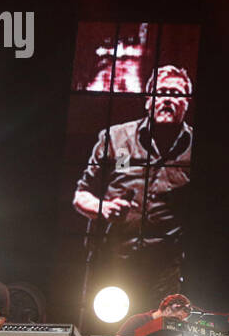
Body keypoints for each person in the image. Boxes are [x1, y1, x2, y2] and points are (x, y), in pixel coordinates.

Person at [73, 65, 194, 309]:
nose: (168, 99)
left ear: (187, 103)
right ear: (149, 100)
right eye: (161, 92)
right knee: (106, 335)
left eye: (176, 94)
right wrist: (104, 209)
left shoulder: (195, 147)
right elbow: (80, 196)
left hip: (166, 271)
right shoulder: (115, 138)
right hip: (112, 263)